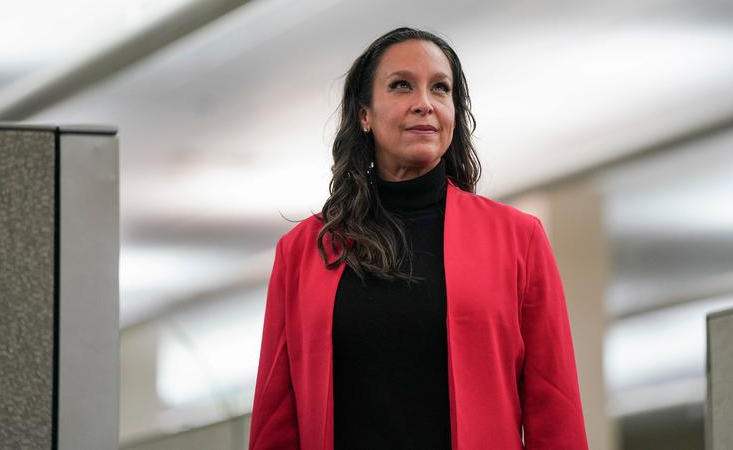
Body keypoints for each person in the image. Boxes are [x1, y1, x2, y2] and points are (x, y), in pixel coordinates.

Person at [249, 27, 589, 450]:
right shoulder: (302, 252)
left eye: (440, 89)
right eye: (401, 86)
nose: (424, 103)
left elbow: (554, 405)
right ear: (364, 115)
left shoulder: (518, 239)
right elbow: (275, 419)